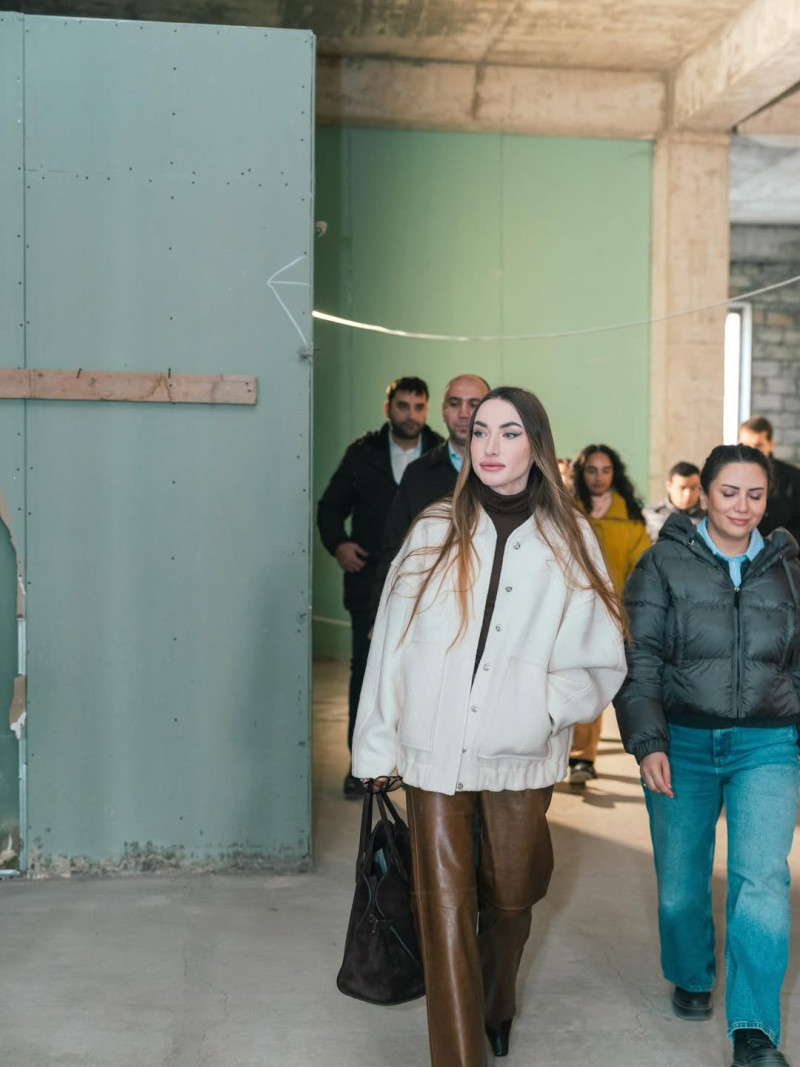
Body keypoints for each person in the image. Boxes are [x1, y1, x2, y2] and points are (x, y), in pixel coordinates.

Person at [353, 387, 626, 1067]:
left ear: (537, 444)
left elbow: (602, 657)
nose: (490, 446)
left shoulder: (571, 539)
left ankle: (497, 1000)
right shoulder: (432, 530)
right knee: (444, 911)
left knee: (510, 900)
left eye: (509, 432)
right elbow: (391, 641)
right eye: (480, 432)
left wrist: (541, 707)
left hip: (519, 754)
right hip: (433, 749)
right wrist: (376, 744)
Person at [615, 443, 800, 1067]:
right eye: (729, 492)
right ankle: (691, 973)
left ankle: (754, 1031)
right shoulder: (662, 563)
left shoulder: (787, 568)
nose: (742, 506)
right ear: (703, 493)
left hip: (768, 744)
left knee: (763, 880)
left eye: (755, 495)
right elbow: (638, 657)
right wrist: (649, 741)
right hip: (684, 743)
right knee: (680, 888)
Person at [317, 377, 443, 797]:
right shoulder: (363, 453)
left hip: (430, 587)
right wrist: (339, 544)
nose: (411, 414)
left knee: (425, 674)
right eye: (403, 405)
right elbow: (329, 507)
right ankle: (362, 766)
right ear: (388, 407)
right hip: (369, 581)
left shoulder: (441, 455)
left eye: (418, 406)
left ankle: (417, 767)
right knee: (368, 674)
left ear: (427, 410)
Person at [371, 374, 491, 617]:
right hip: (429, 611)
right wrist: (379, 615)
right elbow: (395, 548)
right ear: (443, 410)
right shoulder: (418, 474)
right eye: (455, 403)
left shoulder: (510, 472)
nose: (464, 413)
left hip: (490, 609)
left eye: (474, 404)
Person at [567, 444, 650, 785]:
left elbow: (642, 570)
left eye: (605, 470)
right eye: (592, 470)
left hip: (613, 617)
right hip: (568, 614)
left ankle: (582, 758)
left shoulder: (629, 518)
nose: (599, 477)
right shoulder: (566, 511)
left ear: (614, 474)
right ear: (581, 473)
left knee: (593, 684)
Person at [738, 415, 800, 543]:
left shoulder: (794, 478)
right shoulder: (726, 476)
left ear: (770, 444)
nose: (752, 451)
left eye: (758, 445)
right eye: (746, 445)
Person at [642, 461, 705, 542]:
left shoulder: (711, 515)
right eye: (682, 488)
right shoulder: (651, 515)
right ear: (669, 486)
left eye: (693, 488)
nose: (688, 494)